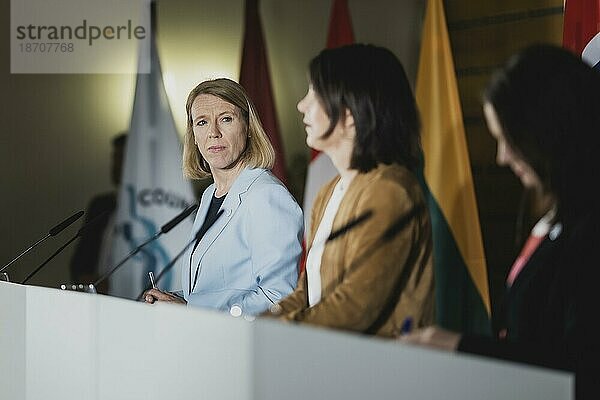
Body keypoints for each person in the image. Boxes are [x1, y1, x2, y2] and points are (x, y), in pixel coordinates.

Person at [401, 44, 599, 399]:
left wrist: (460, 347)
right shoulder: (561, 213)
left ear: (547, 130)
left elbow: (581, 368)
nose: (501, 157)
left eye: (508, 140)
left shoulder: (590, 227)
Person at [264, 44, 435, 337]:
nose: (301, 105)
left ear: (351, 114)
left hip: (375, 371)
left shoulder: (389, 192)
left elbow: (354, 308)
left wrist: (270, 332)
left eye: (315, 95)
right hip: (327, 358)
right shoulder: (329, 191)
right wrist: (257, 323)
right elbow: (307, 293)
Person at [144, 78, 303, 316]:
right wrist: (172, 299)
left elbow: (279, 296)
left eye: (226, 119)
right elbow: (213, 291)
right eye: (202, 122)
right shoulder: (210, 195)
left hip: (244, 347)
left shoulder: (266, 195)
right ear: (194, 136)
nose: (213, 133)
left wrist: (191, 309)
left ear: (248, 127)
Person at [70, 132, 127, 292]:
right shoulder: (101, 205)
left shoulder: (153, 209)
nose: (115, 165)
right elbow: (80, 259)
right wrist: (88, 279)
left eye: (121, 158)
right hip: (97, 297)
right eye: (114, 158)